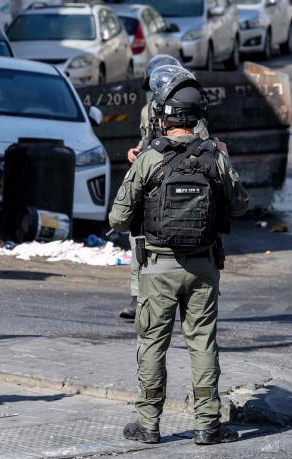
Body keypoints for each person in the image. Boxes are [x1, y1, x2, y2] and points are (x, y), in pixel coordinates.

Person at [109, 65, 249, 445]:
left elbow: (118, 218)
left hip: (157, 267)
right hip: (204, 266)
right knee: (202, 342)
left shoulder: (150, 159)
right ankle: (208, 425)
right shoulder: (214, 157)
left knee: (153, 343)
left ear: (162, 115)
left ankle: (148, 424)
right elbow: (239, 206)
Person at [119, 55, 185, 321]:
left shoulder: (186, 107)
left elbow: (195, 144)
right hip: (151, 178)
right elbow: (146, 140)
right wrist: (136, 152)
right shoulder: (149, 111)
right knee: (137, 238)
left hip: (178, 180)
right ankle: (138, 298)